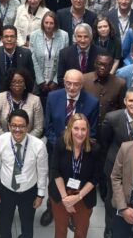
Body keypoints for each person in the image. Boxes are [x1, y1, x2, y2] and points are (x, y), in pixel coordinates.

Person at [42, 69, 100, 226]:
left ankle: (73, 210)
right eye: (68, 83)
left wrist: (75, 146)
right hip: (56, 149)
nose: (72, 87)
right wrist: (62, 145)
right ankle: (51, 208)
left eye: (76, 84)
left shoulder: (92, 102)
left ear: (82, 85)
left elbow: (92, 131)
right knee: (54, 180)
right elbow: (48, 127)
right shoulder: (53, 97)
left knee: (76, 179)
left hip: (80, 152)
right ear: (64, 82)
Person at [0, 110, 49, 238]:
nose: (17, 129)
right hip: (6, 190)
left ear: (27, 126)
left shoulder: (38, 145)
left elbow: (42, 171)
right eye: (14, 125)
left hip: (29, 192)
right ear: (9, 125)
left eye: (21, 126)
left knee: (27, 223)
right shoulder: (0, 141)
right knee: (4, 222)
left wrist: (40, 195)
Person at [100, 88, 133, 238]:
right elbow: (105, 142)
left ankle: (129, 228)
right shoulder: (112, 118)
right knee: (113, 199)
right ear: (125, 101)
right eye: (131, 100)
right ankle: (110, 228)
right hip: (116, 166)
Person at [50, 113, 103, 238]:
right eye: (76, 129)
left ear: (88, 130)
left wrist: (78, 196)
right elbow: (55, 171)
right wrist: (65, 199)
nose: (80, 133)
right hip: (61, 194)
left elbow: (95, 177)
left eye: (83, 129)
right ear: (69, 129)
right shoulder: (60, 144)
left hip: (84, 196)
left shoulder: (95, 149)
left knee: (80, 232)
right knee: (61, 230)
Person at [29, 11, 69, 108]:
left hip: (56, 82)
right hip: (38, 82)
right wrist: (40, 81)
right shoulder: (34, 35)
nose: (48, 25)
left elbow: (64, 60)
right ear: (42, 23)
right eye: (46, 23)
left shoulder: (64, 35)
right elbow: (33, 59)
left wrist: (55, 81)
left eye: (51, 23)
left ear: (55, 24)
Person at [0, 25, 35, 93]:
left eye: (12, 36)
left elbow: (31, 78)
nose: (9, 39)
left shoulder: (26, 54)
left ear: (16, 38)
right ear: (2, 39)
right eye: (6, 36)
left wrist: (25, 93)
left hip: (20, 95)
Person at [0, 69, 44, 137]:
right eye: (13, 81)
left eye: (21, 82)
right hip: (4, 141)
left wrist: (25, 141)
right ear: (9, 83)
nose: (17, 84)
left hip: (29, 141)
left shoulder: (35, 100)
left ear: (25, 84)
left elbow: (38, 128)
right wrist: (7, 141)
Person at [82, 50, 126, 128]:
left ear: (112, 66)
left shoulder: (120, 84)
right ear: (94, 64)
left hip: (110, 127)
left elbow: (122, 109)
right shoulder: (84, 80)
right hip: (87, 125)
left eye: (106, 65)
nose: (102, 67)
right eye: (99, 64)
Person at [55, 23, 100, 87]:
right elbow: (60, 78)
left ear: (91, 37)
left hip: (93, 90)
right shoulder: (64, 53)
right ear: (75, 37)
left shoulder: (100, 53)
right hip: (71, 90)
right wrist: (74, 88)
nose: (82, 40)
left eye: (86, 36)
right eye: (79, 36)